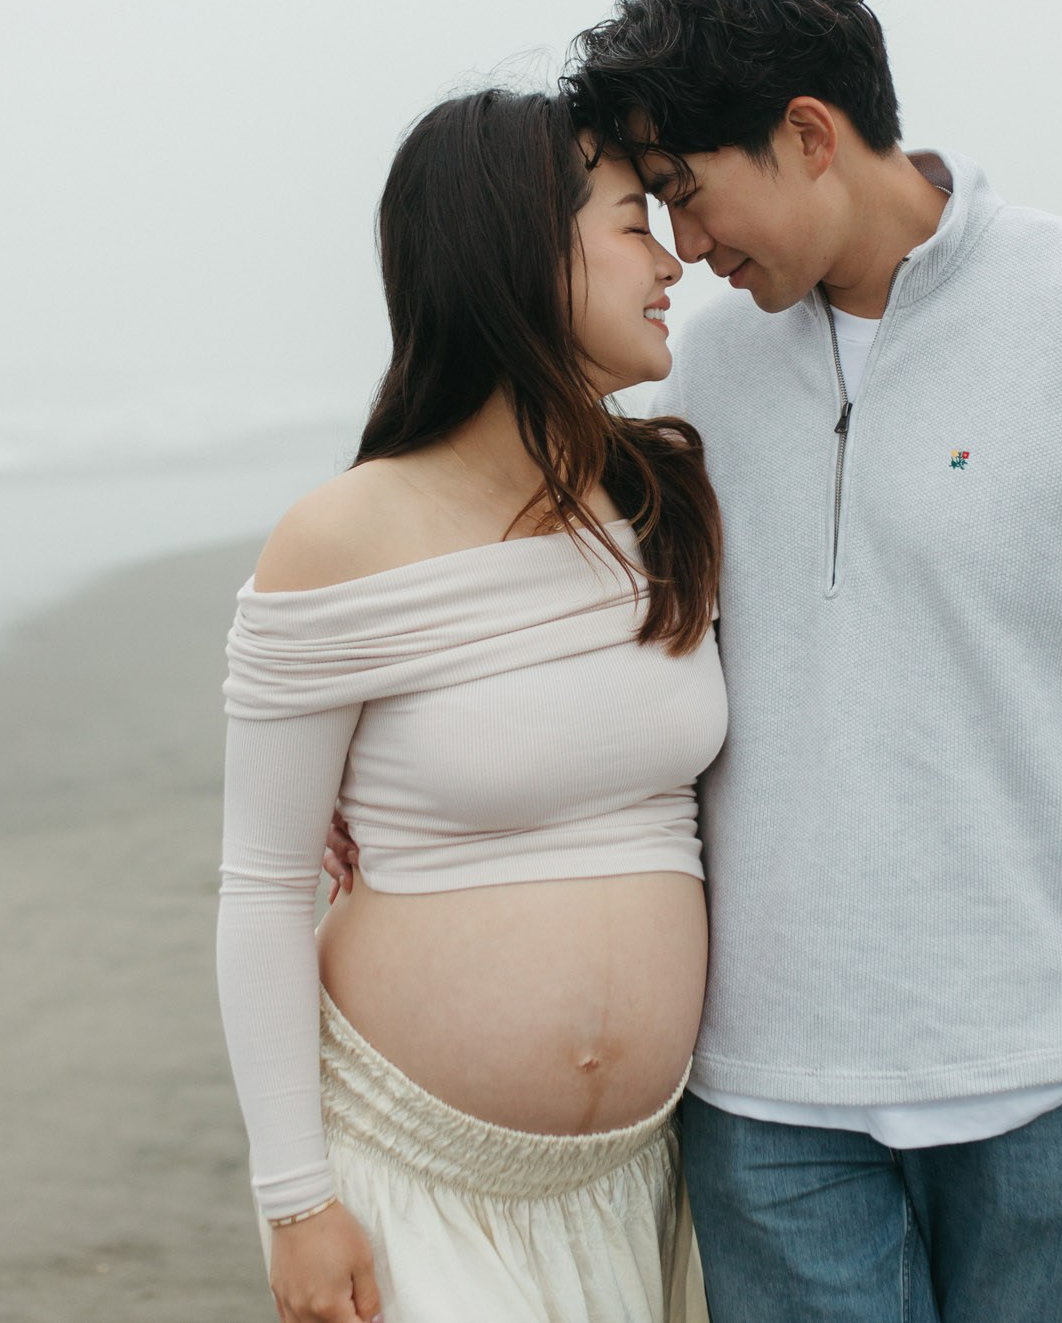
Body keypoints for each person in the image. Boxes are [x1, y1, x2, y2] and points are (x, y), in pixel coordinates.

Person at [332, 0, 1062, 1319]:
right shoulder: (686, 374)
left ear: (804, 133)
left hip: (1039, 1064)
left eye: (686, 188)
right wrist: (364, 757)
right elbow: (526, 582)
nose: (681, 241)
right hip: (761, 1090)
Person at [216, 87, 725, 1323]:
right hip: (416, 1180)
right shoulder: (340, 538)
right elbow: (264, 880)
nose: (673, 260)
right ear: (518, 252)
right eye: (630, 223)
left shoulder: (665, 501)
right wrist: (293, 1198)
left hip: (645, 1178)